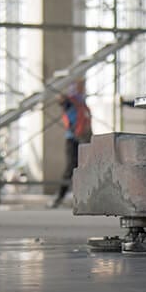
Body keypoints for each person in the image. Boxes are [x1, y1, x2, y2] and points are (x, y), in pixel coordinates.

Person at [49, 79, 92, 208]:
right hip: (73, 139)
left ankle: (85, 196)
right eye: (81, 86)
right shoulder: (71, 101)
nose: (84, 88)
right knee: (70, 167)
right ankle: (60, 196)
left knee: (86, 167)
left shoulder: (82, 102)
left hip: (84, 138)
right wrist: (62, 96)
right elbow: (62, 101)